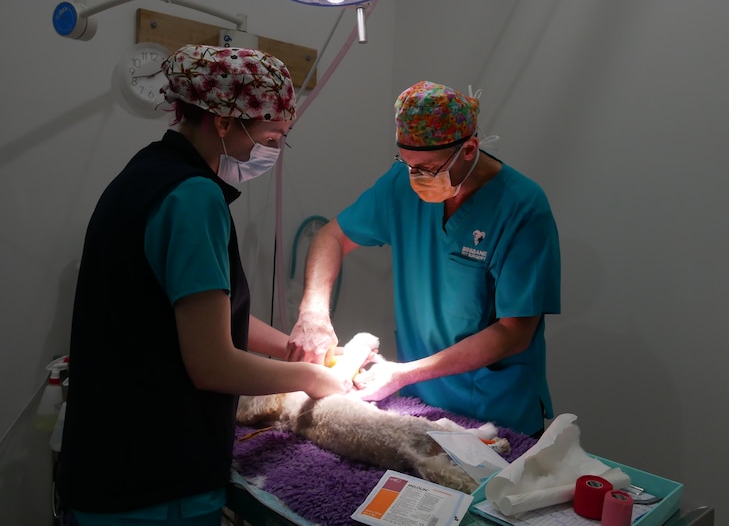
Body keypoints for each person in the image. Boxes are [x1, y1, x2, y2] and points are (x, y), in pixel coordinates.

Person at [57, 45, 347, 526]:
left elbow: (203, 311)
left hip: (107, 466)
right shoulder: (193, 198)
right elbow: (212, 365)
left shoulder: (148, 173)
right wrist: (315, 379)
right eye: (272, 135)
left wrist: (294, 347)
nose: (273, 149)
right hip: (151, 487)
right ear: (224, 122)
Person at [287, 80, 561, 437]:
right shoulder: (401, 184)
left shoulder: (522, 207)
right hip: (419, 405)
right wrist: (313, 313)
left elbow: (514, 333)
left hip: (495, 412)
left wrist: (405, 373)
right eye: (407, 162)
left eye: (427, 167)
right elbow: (331, 236)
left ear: (469, 149)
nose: (415, 178)